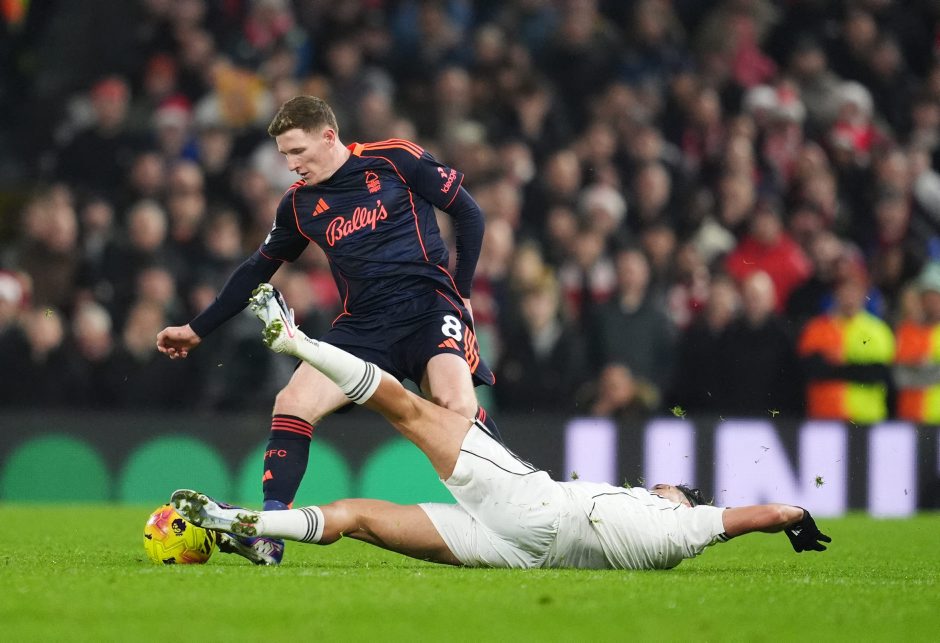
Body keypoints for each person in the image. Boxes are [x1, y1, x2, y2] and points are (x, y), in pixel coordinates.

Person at [172, 284, 831, 570]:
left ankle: (296, 340)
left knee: (406, 409)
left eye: (669, 488)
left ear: (683, 500)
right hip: (517, 552)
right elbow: (754, 517)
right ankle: (243, 522)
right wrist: (787, 519)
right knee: (359, 517)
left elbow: (761, 513)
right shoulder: (673, 542)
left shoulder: (684, 523)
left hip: (531, 503)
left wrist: (796, 516)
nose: (659, 486)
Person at [155, 96, 497, 564]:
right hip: (363, 327)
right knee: (293, 401)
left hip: (429, 309)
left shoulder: (395, 159)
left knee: (455, 406)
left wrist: (463, 292)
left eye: (298, 151)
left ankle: (518, 503)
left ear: (328, 137)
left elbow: (469, 213)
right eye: (284, 155)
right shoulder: (299, 205)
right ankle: (270, 531)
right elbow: (257, 269)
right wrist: (197, 329)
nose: (291, 165)